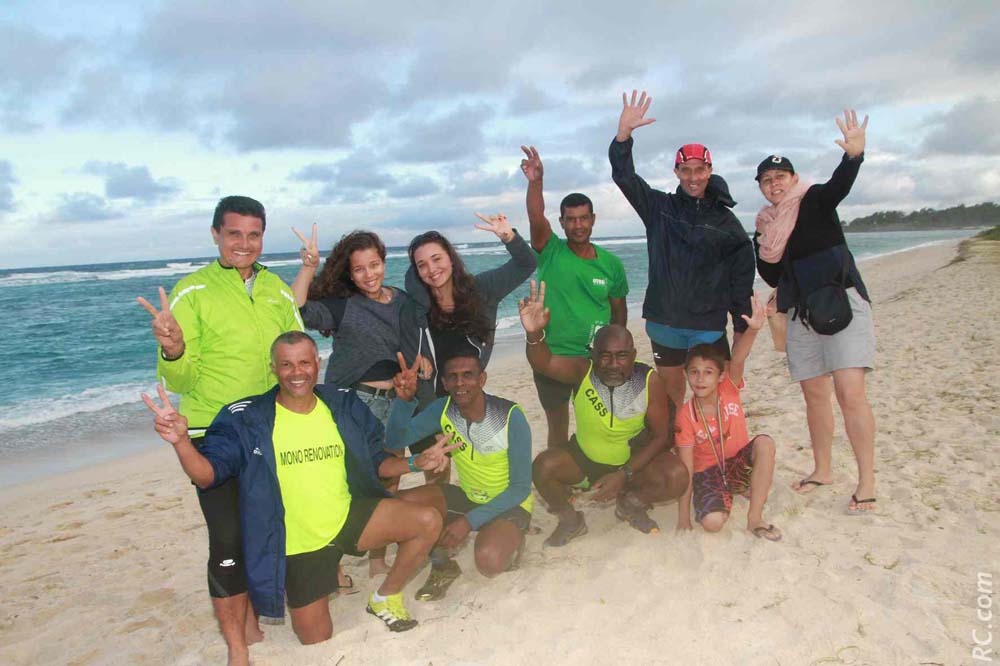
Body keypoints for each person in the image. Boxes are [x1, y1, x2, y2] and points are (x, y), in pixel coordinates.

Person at [141, 332, 449, 645]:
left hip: (347, 518)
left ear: (317, 363)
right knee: (316, 637)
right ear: (273, 368)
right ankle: (305, 582)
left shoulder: (341, 404)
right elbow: (207, 476)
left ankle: (385, 597)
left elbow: (378, 462)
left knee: (427, 520)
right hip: (299, 545)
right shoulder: (248, 419)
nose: (296, 372)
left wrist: (416, 463)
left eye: (304, 362)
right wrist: (181, 442)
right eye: (286, 364)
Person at [136, 195, 302, 666]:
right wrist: (173, 349)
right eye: (234, 234)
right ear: (216, 235)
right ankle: (236, 646)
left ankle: (252, 617)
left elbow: (296, 358)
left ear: (262, 237)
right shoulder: (192, 291)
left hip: (270, 426)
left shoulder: (277, 291)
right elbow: (179, 380)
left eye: (254, 234)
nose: (244, 244)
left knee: (265, 527)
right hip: (215, 430)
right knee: (227, 538)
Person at [753, 109, 876, 515]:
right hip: (801, 313)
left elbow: (841, 184)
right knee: (814, 395)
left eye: (780, 176)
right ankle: (823, 470)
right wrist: (764, 241)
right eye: (766, 180)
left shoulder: (815, 200)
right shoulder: (767, 226)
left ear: (793, 178)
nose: (774, 184)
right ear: (761, 187)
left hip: (841, 303)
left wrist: (853, 155)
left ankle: (867, 481)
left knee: (850, 393)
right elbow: (771, 274)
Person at [289, 226, 432, 576]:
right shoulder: (344, 307)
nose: (369, 275)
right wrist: (309, 267)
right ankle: (333, 566)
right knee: (344, 484)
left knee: (390, 479)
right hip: (356, 404)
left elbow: (415, 338)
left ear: (384, 262)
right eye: (359, 269)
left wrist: (424, 360)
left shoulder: (401, 300)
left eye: (374, 265)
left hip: (397, 400)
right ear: (349, 274)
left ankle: (377, 560)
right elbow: (296, 310)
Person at [609, 90, 755, 416]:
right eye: (686, 170)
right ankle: (676, 444)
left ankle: (715, 443)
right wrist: (623, 136)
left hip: (707, 326)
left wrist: (741, 327)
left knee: (715, 397)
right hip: (665, 323)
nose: (693, 177)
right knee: (672, 397)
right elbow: (624, 177)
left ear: (709, 171)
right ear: (676, 172)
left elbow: (741, 283)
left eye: (699, 170)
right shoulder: (659, 209)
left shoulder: (727, 224)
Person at [520, 281, 689, 546]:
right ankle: (571, 521)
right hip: (585, 458)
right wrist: (534, 334)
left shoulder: (649, 381)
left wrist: (624, 474)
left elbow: (659, 437)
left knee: (676, 476)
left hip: (631, 462)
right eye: (605, 356)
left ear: (633, 355)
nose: (613, 364)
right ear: (593, 355)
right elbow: (545, 362)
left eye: (622, 356)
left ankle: (631, 504)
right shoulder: (582, 371)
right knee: (542, 468)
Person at [385, 347, 532, 600]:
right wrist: (404, 401)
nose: (460, 383)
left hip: (509, 504)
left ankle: (513, 539)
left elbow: (520, 488)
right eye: (452, 377)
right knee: (397, 508)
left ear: (482, 379)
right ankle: (442, 565)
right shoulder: (443, 410)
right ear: (444, 383)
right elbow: (395, 440)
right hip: (468, 497)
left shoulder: (510, 416)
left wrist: (468, 522)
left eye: (468, 375)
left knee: (488, 561)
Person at [519, 145, 629, 449]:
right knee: (557, 426)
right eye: (571, 219)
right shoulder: (550, 249)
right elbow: (535, 216)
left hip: (594, 359)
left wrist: (616, 353)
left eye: (583, 218)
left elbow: (618, 313)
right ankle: (558, 468)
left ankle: (595, 464)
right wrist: (536, 182)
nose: (578, 225)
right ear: (562, 223)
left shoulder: (611, 264)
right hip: (551, 357)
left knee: (596, 423)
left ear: (593, 219)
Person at [674, 293, 782, 541]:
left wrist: (753, 329)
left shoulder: (728, 389)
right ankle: (731, 493)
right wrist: (683, 517)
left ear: (721, 376)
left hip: (736, 465)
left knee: (765, 443)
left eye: (708, 372)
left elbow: (739, 356)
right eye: (694, 372)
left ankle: (754, 518)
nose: (700, 379)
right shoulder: (686, 415)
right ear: (686, 375)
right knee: (712, 524)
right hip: (708, 473)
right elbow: (687, 467)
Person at [405, 213, 537, 393]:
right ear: (417, 272)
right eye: (422, 265)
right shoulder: (413, 307)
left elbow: (526, 264)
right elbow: (395, 341)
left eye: (436, 259)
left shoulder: (482, 289)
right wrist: (415, 358)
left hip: (470, 396)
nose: (431, 269)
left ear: (450, 259)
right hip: (431, 401)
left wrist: (509, 237)